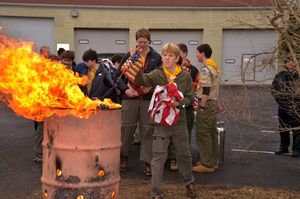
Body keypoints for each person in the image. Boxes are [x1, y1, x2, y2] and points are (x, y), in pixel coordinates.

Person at [131, 42, 197, 199]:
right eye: (165, 55)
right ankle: (156, 192)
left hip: (179, 122)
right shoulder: (158, 73)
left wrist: (179, 103)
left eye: (171, 55)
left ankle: (189, 184)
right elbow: (143, 81)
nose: (167, 58)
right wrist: (138, 70)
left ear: (176, 58)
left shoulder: (185, 76)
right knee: (158, 158)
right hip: (161, 123)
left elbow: (189, 97)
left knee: (184, 155)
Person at [118, 28, 162, 176]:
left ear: (149, 41)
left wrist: (151, 90)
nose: (142, 45)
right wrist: (125, 90)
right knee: (126, 129)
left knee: (147, 130)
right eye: (139, 42)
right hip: (130, 97)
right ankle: (123, 158)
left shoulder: (156, 57)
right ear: (136, 41)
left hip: (147, 99)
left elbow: (160, 78)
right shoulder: (130, 56)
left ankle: (146, 162)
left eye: (145, 42)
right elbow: (117, 77)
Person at [168, 43, 200, 171]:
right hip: (172, 107)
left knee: (185, 134)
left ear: (185, 54)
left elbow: (198, 86)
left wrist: (186, 84)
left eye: (178, 53)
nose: (175, 56)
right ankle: (173, 158)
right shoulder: (169, 68)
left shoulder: (193, 70)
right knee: (171, 134)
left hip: (187, 107)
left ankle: (184, 159)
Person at [192, 43, 220, 173]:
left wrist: (202, 106)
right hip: (213, 103)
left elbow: (206, 89)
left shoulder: (205, 69)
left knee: (203, 133)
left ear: (202, 53)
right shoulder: (214, 67)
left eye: (197, 52)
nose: (196, 55)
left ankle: (207, 164)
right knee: (211, 133)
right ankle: (212, 160)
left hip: (206, 103)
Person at [271, 56, 300, 157]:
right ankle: (284, 147)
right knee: (283, 127)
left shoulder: (298, 75)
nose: (290, 63)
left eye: (292, 61)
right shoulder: (281, 75)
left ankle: (297, 149)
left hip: (296, 107)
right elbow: (274, 89)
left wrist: (295, 104)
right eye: (287, 61)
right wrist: (282, 102)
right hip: (283, 106)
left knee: (297, 129)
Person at [33, 45, 51, 163]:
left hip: (49, 105)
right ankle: (38, 155)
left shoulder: (50, 69)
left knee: (47, 130)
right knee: (40, 130)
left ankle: (46, 152)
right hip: (40, 106)